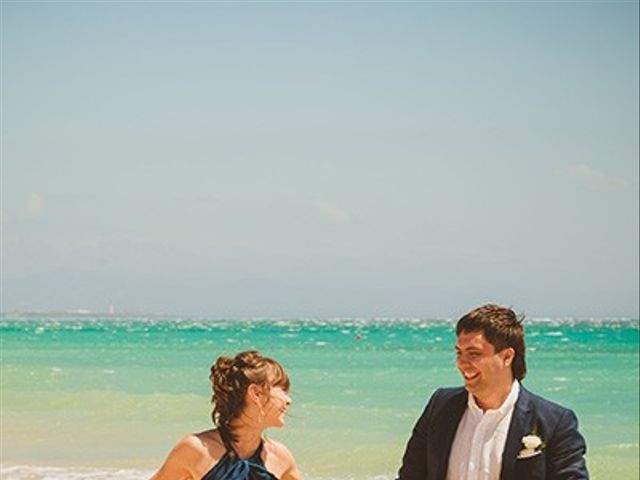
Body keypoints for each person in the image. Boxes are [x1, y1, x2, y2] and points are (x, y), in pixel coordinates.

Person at [396, 304, 589, 480]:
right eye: (459, 353)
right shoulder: (440, 406)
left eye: (474, 353)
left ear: (506, 357)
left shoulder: (555, 422)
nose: (462, 363)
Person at [150, 350, 303, 480]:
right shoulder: (196, 449)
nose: (288, 400)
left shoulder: (280, 457)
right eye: (282, 390)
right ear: (256, 393)